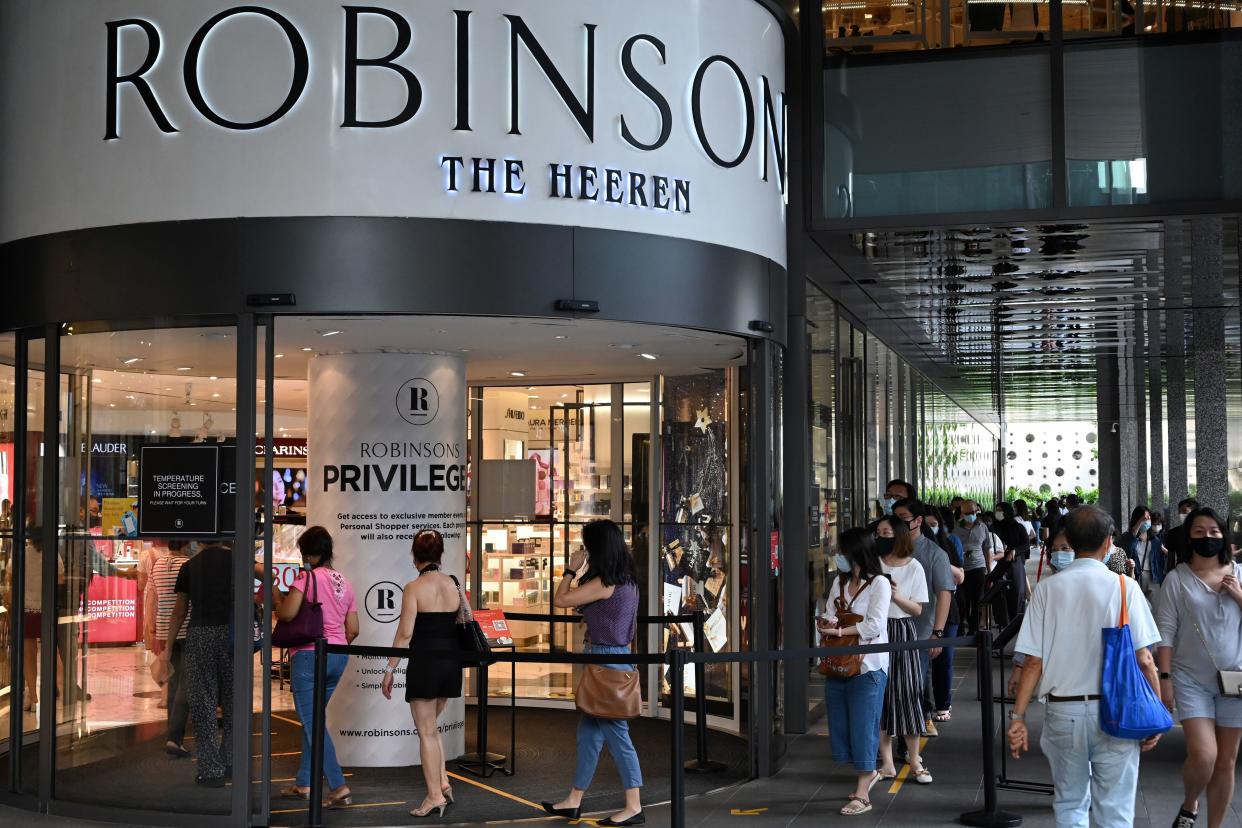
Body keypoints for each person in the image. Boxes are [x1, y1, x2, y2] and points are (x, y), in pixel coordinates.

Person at [1008, 506, 1163, 828]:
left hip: (1063, 712)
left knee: (1069, 803)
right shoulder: (1125, 588)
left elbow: (1033, 661)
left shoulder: (1047, 590)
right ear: (1109, 543)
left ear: (1071, 542)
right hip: (1116, 711)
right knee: (1115, 809)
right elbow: (1145, 659)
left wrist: (1018, 717)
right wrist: (1156, 711)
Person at [542, 519, 644, 827]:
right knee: (588, 733)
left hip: (607, 662)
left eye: (587, 546)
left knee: (617, 735)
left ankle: (634, 805)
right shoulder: (625, 579)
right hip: (611, 659)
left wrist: (571, 569)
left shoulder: (604, 583)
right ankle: (574, 800)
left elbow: (560, 599)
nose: (584, 551)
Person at [1155, 507, 1242, 828]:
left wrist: (1238, 594)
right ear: (1188, 538)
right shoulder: (1178, 579)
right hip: (1190, 680)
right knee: (1205, 755)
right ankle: (1190, 803)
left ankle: (1214, 825)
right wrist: (1164, 678)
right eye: (1199, 532)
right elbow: (1164, 631)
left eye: (1214, 532)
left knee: (1226, 762)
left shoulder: (1240, 574)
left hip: (1236, 680)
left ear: (1224, 536)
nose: (1208, 538)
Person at [380, 529, 463, 818]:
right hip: (450, 663)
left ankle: (433, 796)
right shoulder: (454, 584)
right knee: (432, 727)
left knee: (425, 731)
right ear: (440, 555)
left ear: (414, 556)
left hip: (425, 663)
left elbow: (404, 634)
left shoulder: (414, 588)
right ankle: (442, 782)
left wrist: (389, 669)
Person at [276, 527, 358, 808]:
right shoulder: (345, 582)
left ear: (311, 554)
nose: (303, 559)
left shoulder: (306, 578)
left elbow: (287, 613)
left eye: (304, 554)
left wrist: (275, 598)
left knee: (314, 723)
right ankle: (304, 783)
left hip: (309, 656)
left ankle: (339, 786)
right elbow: (354, 629)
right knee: (314, 721)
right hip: (338, 656)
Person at [817, 527, 892, 817]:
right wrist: (826, 623)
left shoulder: (879, 584)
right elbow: (830, 610)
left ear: (856, 552)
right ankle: (867, 774)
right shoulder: (839, 581)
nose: (838, 556)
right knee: (842, 725)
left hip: (868, 667)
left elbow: (874, 626)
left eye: (842, 551)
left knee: (864, 726)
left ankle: (863, 791)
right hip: (838, 662)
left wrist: (839, 629)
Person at [157, 540, 234, 787]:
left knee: (204, 704)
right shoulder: (237, 560)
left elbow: (180, 611)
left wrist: (168, 648)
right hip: (232, 635)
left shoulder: (190, 566)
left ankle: (211, 770)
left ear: (199, 540)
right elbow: (266, 576)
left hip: (200, 635)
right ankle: (230, 760)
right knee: (233, 701)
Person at [875, 516, 931, 783]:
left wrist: (894, 594)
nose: (881, 536)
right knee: (880, 694)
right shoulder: (873, 564)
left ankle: (915, 759)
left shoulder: (914, 567)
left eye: (886, 532)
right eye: (878, 532)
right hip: (876, 631)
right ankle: (887, 763)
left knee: (908, 692)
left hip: (903, 630)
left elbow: (918, 609)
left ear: (899, 535)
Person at [893, 499, 955, 735]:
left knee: (914, 684)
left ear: (918, 521)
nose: (897, 523)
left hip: (919, 630)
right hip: (887, 630)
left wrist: (937, 632)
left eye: (903, 518)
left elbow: (944, 593)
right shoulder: (886, 548)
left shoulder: (934, 553)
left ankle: (912, 731)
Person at [1007, 527, 1074, 698]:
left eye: (1065, 549)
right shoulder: (1046, 589)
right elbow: (1031, 632)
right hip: (1056, 672)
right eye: (1054, 550)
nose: (1059, 554)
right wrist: (1018, 668)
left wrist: (1018, 714)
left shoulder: (1098, 584)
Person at [151, 540, 191, 756]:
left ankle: (172, 735)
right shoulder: (188, 564)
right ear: (186, 544)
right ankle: (175, 737)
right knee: (185, 683)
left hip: (165, 629)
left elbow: (154, 597)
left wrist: (153, 628)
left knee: (173, 683)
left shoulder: (157, 564)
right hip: (184, 628)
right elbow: (185, 603)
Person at [925, 510, 964, 721]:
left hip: (947, 612)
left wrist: (936, 559)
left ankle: (943, 704)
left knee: (943, 660)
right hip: (921, 612)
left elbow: (959, 576)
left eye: (933, 523)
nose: (931, 527)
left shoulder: (947, 545)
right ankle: (923, 710)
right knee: (923, 666)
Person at [954, 501, 992, 636]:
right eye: (967, 513)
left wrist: (989, 569)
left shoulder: (983, 527)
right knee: (962, 600)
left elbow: (987, 549)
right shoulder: (955, 528)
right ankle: (960, 629)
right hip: (960, 568)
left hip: (978, 567)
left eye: (973, 512)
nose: (971, 515)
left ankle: (973, 628)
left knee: (977, 600)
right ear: (961, 513)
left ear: (977, 511)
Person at [1119, 505, 1164, 592]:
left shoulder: (1155, 540)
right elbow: (1128, 550)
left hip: (1154, 578)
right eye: (1144, 519)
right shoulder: (1128, 538)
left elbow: (1160, 562)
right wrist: (1139, 523)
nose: (1146, 521)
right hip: (1136, 576)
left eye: (1148, 518)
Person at [1166, 498, 1201, 569]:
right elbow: (1171, 558)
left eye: (1184, 511)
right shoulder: (1173, 533)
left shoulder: (1203, 531)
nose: (1181, 514)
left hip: (1201, 572)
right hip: (1181, 571)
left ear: (1194, 512)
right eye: (1179, 512)